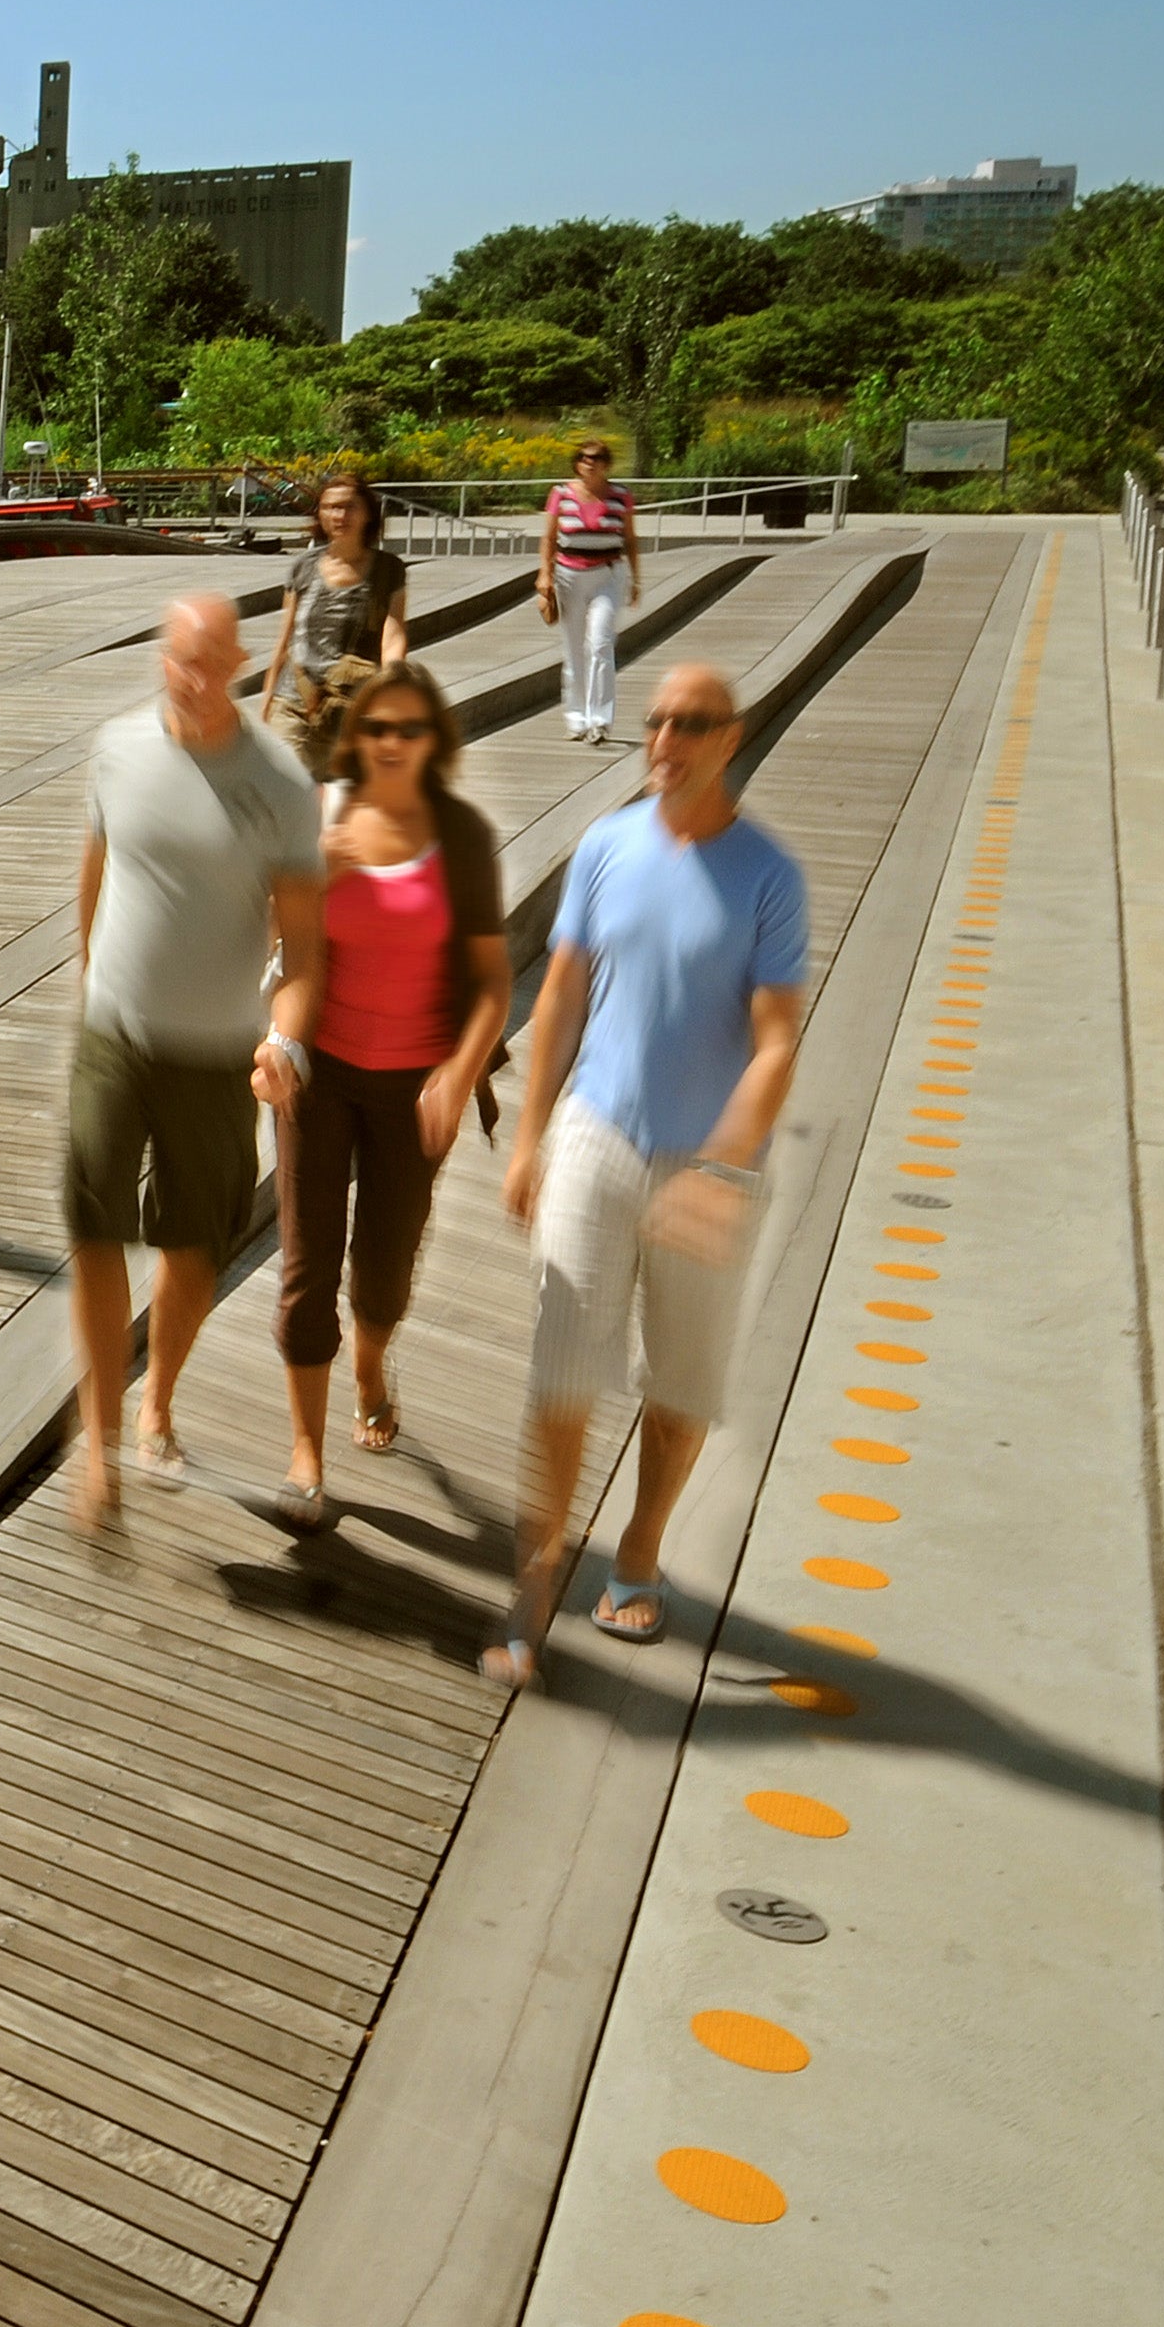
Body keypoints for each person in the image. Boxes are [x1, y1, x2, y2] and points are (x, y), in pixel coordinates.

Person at [487, 662, 805, 1691]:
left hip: (707, 1162)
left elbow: (773, 1044)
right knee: (559, 1376)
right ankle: (534, 1580)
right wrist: (531, 1135)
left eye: (689, 722)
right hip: (596, 1134)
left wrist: (719, 1165)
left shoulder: (768, 873)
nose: (663, 737)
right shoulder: (604, 845)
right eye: (655, 719)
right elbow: (563, 1000)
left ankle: (637, 1547)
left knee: (677, 1391)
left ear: (730, 737)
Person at [67, 597, 325, 1533]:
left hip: (218, 1051)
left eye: (215, 659)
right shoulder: (119, 746)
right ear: (161, 659)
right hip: (114, 1036)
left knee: (191, 1248)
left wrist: (283, 1039)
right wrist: (96, 974)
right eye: (183, 657)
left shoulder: (282, 783)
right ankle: (97, 1445)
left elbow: (304, 946)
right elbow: (98, 868)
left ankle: (157, 1400)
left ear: (245, 660)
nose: (197, 675)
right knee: (93, 1229)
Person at [265, 663, 510, 1531]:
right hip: (320, 1073)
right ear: (354, 738)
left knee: (383, 1272)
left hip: (416, 1086)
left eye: (410, 729)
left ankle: (370, 1363)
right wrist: (311, 874)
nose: (391, 744)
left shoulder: (462, 836)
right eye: (376, 729)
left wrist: (457, 1068)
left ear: (434, 740)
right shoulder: (322, 823)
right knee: (305, 1271)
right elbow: (279, 942)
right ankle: (306, 1453)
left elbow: (492, 983)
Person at [260, 471, 414, 779]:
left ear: (368, 513)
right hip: (294, 703)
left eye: (349, 506)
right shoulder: (302, 568)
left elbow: (393, 638)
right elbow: (284, 642)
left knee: (348, 808)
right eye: (330, 507)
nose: (339, 515)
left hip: (355, 709)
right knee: (282, 792)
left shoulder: (388, 570)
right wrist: (265, 707)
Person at [539, 437, 645, 743]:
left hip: (607, 574)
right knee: (573, 649)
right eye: (585, 457)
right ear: (577, 462)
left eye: (597, 458)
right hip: (569, 575)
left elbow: (631, 539)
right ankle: (576, 718)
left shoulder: (620, 496)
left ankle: (599, 720)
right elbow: (548, 539)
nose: (591, 463)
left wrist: (635, 580)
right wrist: (544, 575)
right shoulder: (561, 494)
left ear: (606, 463)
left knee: (600, 644)